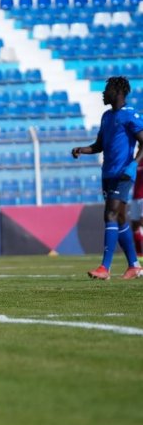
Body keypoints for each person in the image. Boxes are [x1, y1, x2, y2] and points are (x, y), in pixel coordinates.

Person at [72, 76, 143, 280]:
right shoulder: (106, 116)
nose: (104, 93)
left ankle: (105, 267)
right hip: (108, 174)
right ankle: (134, 265)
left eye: (107, 89)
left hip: (123, 174)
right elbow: (99, 145)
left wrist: (133, 163)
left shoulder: (131, 115)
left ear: (118, 92)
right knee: (120, 219)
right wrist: (81, 150)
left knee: (109, 214)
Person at [129, 164, 143, 258]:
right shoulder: (136, 161)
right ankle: (139, 254)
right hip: (135, 197)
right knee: (135, 225)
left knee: (142, 223)